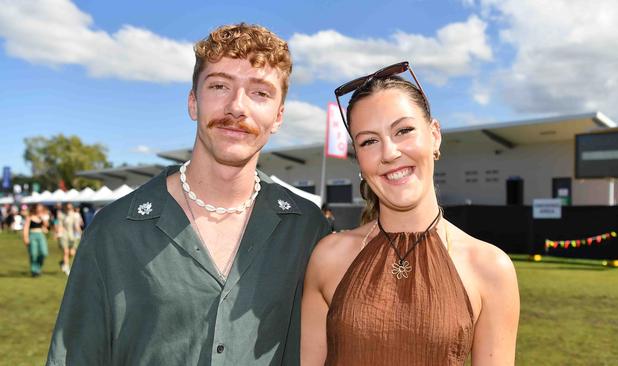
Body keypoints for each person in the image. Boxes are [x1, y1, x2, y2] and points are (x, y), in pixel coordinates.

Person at [47, 23, 330, 366]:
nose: (237, 106)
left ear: (279, 116)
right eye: (220, 86)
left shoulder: (307, 229)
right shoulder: (114, 230)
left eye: (260, 93)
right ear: (193, 102)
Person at [301, 62, 520, 365]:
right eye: (369, 141)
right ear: (358, 158)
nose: (389, 153)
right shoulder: (328, 257)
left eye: (403, 130)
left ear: (435, 136)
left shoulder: (490, 268)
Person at [22, 204, 49, 277]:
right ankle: (34, 270)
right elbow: (26, 228)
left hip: (41, 235)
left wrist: (43, 219)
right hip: (32, 235)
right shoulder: (30, 217)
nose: (39, 210)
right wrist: (25, 238)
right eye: (38, 208)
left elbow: (47, 226)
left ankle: (38, 267)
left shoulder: (43, 217)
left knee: (44, 252)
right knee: (33, 254)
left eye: (41, 208)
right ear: (35, 209)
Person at [56, 202, 83, 275]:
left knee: (72, 252)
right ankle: (67, 268)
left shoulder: (75, 215)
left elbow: (77, 226)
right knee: (66, 252)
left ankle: (63, 262)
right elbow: (60, 225)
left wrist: (81, 234)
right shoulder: (61, 214)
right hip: (64, 235)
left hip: (72, 235)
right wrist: (58, 233)